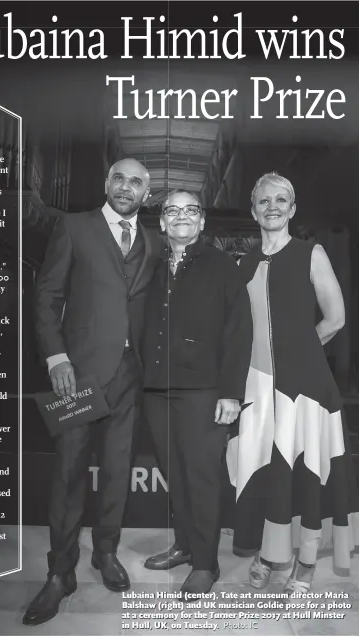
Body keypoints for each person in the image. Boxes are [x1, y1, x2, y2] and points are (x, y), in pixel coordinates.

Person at [23, 158, 161, 625]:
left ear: (147, 193)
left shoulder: (153, 241)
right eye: (119, 178)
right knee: (67, 475)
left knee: (118, 471)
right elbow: (46, 297)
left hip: (130, 375)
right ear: (106, 183)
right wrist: (57, 358)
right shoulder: (74, 228)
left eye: (136, 182)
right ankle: (60, 574)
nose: (126, 187)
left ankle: (106, 553)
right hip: (77, 374)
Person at [226, 172, 359, 594]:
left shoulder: (310, 254)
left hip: (307, 388)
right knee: (271, 473)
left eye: (281, 200)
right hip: (260, 391)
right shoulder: (243, 263)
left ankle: (305, 563)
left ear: (292, 208)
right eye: (264, 200)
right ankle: (271, 554)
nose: (272, 206)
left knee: (307, 471)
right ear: (253, 210)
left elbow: (335, 319)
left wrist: (301, 350)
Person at [141, 190, 252, 597]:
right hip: (155, 389)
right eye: (173, 210)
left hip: (205, 391)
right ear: (163, 223)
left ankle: (206, 564)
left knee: (202, 478)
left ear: (202, 222)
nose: (182, 216)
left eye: (191, 210)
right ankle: (187, 545)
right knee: (176, 476)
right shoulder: (149, 266)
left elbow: (239, 333)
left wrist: (231, 393)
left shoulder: (223, 266)